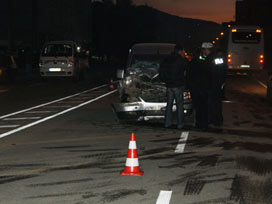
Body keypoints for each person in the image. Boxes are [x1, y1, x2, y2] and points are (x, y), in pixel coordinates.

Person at [159, 44, 187, 129]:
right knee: (179, 105)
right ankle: (180, 124)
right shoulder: (181, 60)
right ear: (180, 51)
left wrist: (165, 80)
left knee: (169, 105)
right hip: (178, 85)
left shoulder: (167, 59)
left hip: (169, 85)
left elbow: (161, 70)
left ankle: (167, 123)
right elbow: (185, 72)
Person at [188, 42, 213, 131]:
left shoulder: (194, 62)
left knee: (199, 107)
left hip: (197, 88)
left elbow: (189, 75)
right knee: (204, 107)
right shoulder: (207, 61)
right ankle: (204, 124)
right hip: (204, 87)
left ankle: (199, 124)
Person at [210, 48, 227, 126]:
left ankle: (216, 120)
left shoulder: (213, 59)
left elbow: (216, 71)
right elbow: (223, 71)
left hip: (214, 84)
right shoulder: (220, 60)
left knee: (215, 103)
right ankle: (218, 120)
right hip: (218, 84)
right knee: (217, 103)